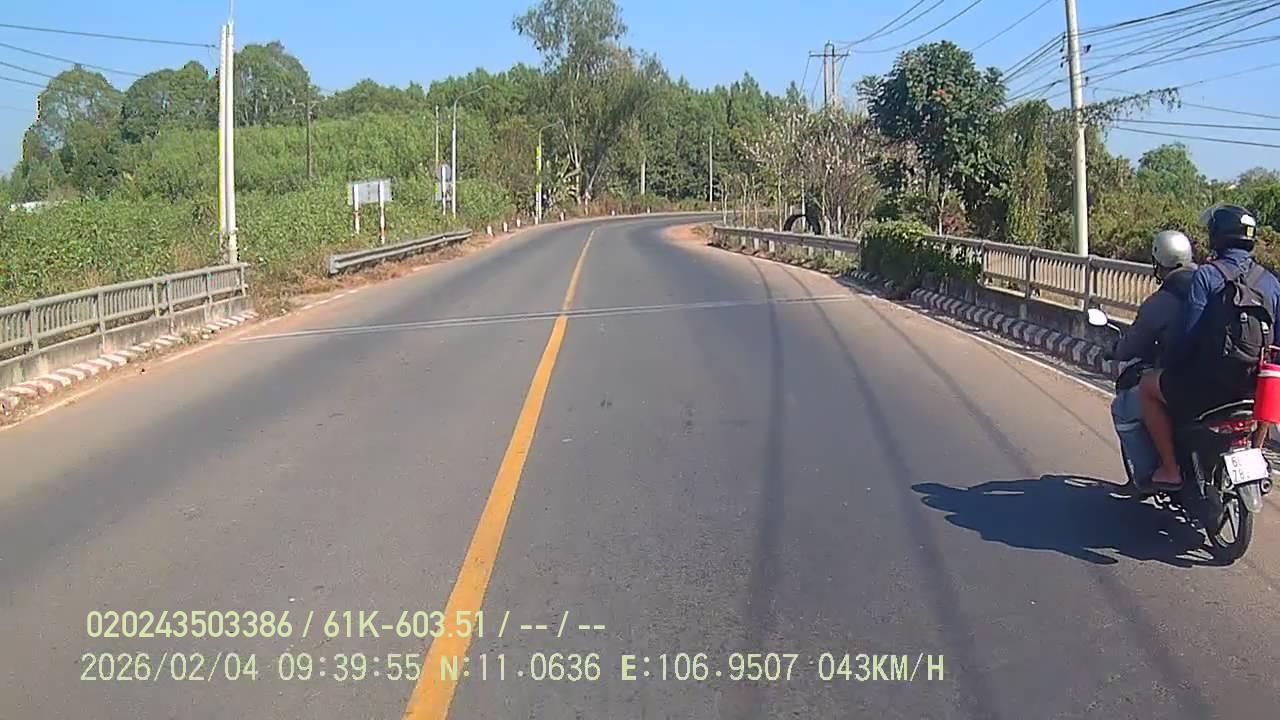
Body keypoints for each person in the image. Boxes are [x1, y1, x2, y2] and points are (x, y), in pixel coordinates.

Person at [1138, 204, 1280, 489]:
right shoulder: (1270, 282)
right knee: (1267, 397)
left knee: (1147, 387)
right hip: (1254, 388)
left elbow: (1187, 335)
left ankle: (1170, 470)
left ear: (1217, 235)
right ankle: (1256, 452)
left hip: (1210, 388)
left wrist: (1167, 365)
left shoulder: (1207, 275)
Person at [1109, 230, 1196, 489]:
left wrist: (1115, 350)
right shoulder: (1211, 284)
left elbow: (1134, 342)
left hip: (1183, 380)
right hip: (1224, 379)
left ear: (1159, 261)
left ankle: (1153, 475)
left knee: (1123, 408)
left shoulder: (1162, 300)